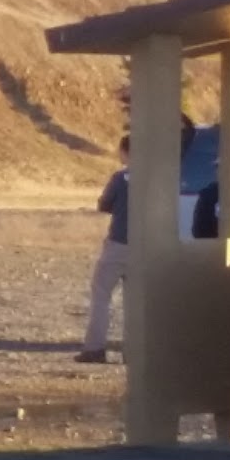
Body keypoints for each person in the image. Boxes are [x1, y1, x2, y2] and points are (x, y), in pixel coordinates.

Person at [78, 135, 131, 364]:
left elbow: (104, 204)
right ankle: (134, 352)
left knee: (101, 297)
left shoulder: (121, 178)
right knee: (136, 302)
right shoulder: (156, 178)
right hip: (146, 247)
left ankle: (95, 348)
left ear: (125, 152)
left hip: (118, 244)